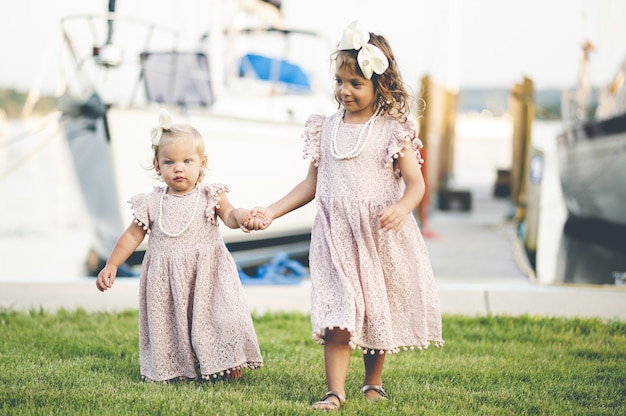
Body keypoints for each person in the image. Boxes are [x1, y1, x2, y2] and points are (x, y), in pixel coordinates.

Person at [245, 21, 444, 410]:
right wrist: (271, 211)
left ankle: (373, 381)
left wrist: (402, 208)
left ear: (379, 85)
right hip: (336, 237)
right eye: (340, 81)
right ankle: (334, 391)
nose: (344, 91)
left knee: (372, 313)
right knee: (337, 317)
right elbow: (310, 186)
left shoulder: (393, 131)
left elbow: (416, 185)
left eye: (355, 83)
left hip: (376, 237)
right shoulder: (326, 128)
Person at [96, 109, 264, 383]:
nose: (178, 168)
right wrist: (112, 264)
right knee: (171, 326)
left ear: (202, 163)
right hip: (167, 280)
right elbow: (131, 236)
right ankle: (174, 369)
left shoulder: (211, 194)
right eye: (169, 161)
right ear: (157, 165)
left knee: (222, 318)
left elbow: (231, 214)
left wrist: (243, 217)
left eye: (187, 161)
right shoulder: (152, 202)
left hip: (208, 276)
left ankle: (230, 360)